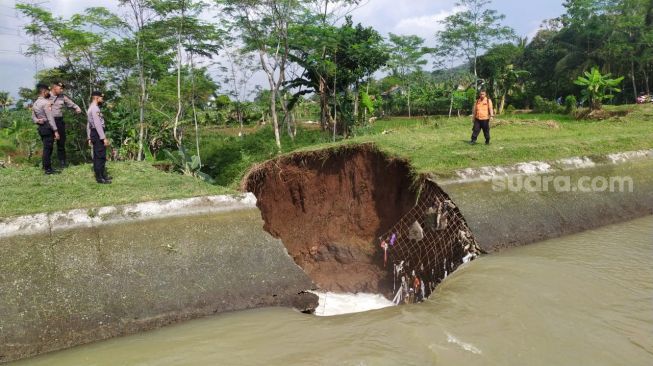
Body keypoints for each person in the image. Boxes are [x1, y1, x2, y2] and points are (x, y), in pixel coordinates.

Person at [50, 82, 82, 168]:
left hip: (59, 121)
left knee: (61, 142)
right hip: (48, 121)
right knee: (48, 143)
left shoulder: (62, 97)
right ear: (54, 87)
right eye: (60, 88)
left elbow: (71, 103)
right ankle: (48, 163)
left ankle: (62, 162)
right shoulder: (47, 96)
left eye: (62, 88)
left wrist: (77, 108)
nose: (62, 90)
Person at [31, 83, 60, 174]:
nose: (49, 93)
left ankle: (45, 166)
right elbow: (50, 118)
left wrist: (37, 121)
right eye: (48, 91)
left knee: (46, 147)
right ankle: (48, 169)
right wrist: (55, 131)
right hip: (47, 127)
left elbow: (33, 117)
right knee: (48, 148)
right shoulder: (46, 103)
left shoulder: (36, 103)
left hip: (41, 128)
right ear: (44, 92)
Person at [87, 91, 111, 184]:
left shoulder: (92, 108)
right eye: (101, 98)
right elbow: (97, 125)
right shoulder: (94, 108)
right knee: (100, 156)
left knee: (100, 155)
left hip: (95, 133)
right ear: (96, 98)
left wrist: (89, 136)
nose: (102, 100)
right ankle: (99, 178)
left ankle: (102, 175)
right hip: (97, 134)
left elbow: (88, 125)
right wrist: (103, 138)